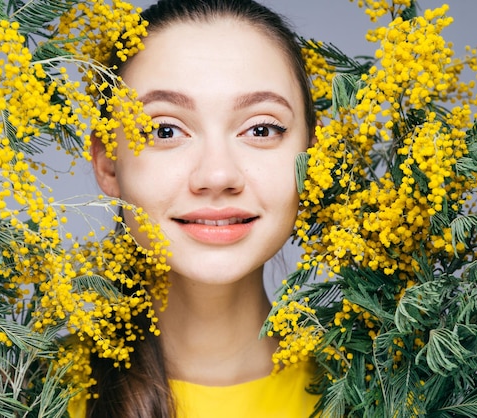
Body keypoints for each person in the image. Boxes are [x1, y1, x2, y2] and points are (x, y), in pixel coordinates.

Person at [81, 0, 319, 416]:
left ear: (311, 158)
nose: (217, 174)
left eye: (261, 129)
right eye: (165, 129)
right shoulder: (15, 395)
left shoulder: (400, 392)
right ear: (107, 162)